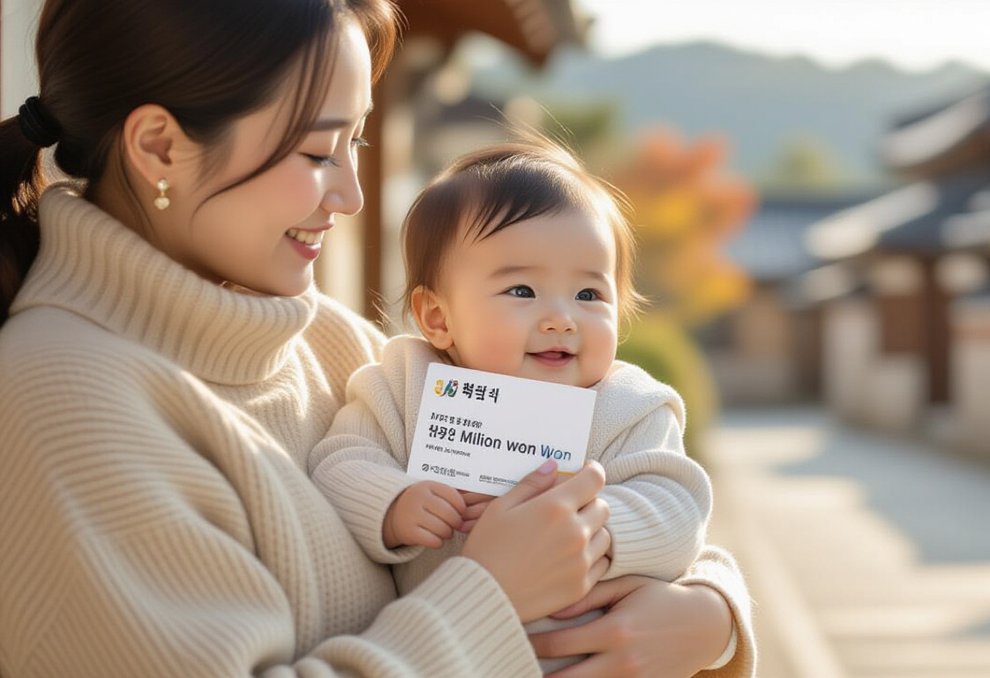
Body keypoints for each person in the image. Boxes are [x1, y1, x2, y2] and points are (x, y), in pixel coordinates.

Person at [0, 1, 756, 676]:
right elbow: (502, 568)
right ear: (160, 147)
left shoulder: (325, 342)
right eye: (316, 152)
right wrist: (491, 596)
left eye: (355, 144)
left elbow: (645, 489)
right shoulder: (60, 403)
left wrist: (711, 616)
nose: (352, 196)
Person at [308, 139, 717, 673]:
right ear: (437, 317)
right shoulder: (404, 385)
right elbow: (340, 463)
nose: (561, 319)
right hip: (454, 659)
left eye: (589, 295)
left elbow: (680, 508)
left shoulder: (628, 405)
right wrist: (393, 503)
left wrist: (597, 525)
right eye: (522, 291)